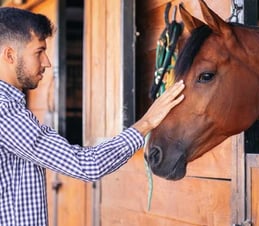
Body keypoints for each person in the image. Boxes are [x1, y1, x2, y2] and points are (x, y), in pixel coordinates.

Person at [0, 7, 184, 226]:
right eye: (39, 51)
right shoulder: (5, 112)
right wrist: (146, 123)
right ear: (10, 55)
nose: (47, 62)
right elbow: (87, 165)